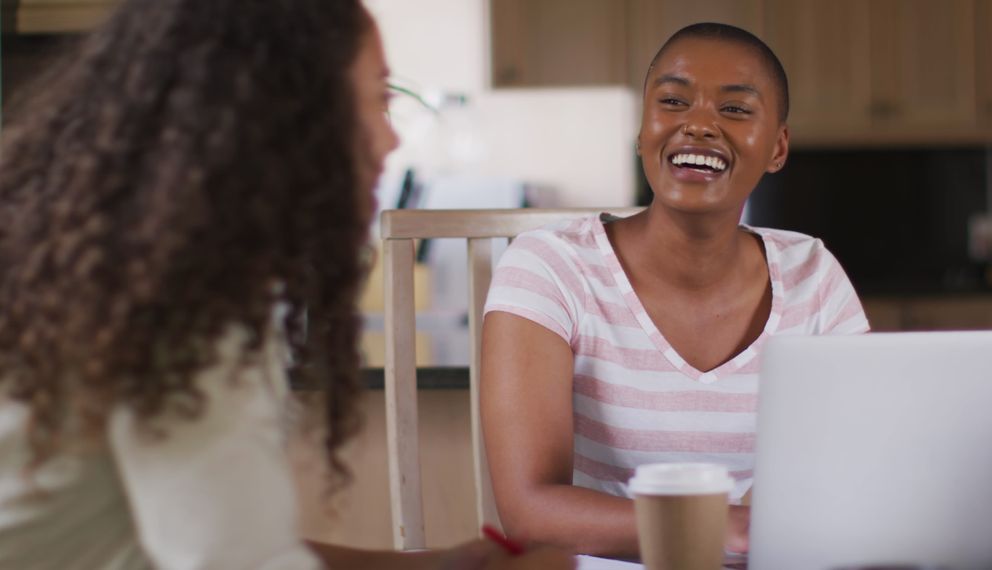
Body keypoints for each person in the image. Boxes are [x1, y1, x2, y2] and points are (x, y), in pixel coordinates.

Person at [0, 1, 574, 569]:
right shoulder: (187, 308)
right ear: (290, 115)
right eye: (378, 99)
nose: (392, 139)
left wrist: (433, 567)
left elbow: (220, 538)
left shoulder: (101, 263)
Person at [480, 23, 870, 559]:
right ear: (643, 131)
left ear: (778, 147)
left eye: (734, 109)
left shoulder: (813, 275)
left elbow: (857, 471)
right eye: (673, 101)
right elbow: (529, 514)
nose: (699, 125)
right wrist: (727, 529)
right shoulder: (550, 268)